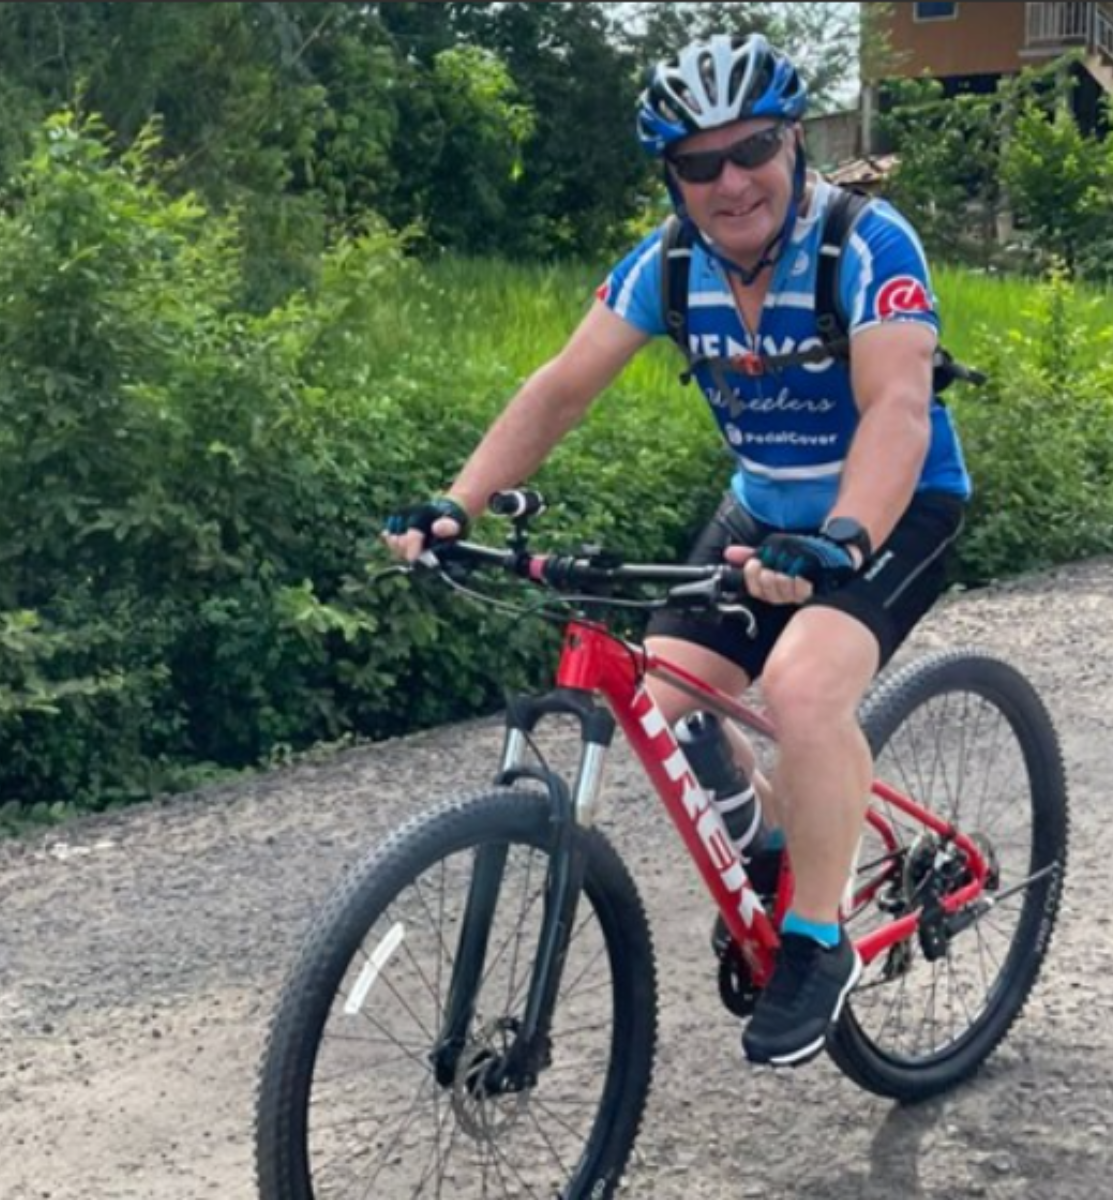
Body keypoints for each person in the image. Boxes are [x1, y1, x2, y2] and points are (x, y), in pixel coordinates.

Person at [383, 32, 969, 1069]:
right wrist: (456, 504)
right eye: (700, 164)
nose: (731, 180)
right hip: (762, 510)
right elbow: (562, 385)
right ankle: (777, 846)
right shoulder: (669, 264)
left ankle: (818, 938)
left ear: (794, 145)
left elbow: (898, 409)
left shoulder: (866, 244)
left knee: (801, 690)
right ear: (674, 178)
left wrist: (842, 538)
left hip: (890, 508)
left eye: (753, 151)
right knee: (658, 702)